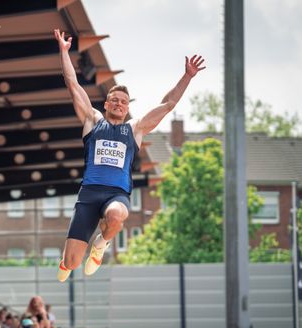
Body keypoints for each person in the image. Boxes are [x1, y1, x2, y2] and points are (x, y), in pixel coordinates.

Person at [53, 29, 205, 282]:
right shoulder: (92, 120)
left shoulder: (135, 129)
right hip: (89, 195)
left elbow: (167, 105)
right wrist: (64, 52)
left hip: (116, 194)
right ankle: (70, 258)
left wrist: (187, 77)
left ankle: (100, 245)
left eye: (124, 102)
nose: (119, 104)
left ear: (127, 108)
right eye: (114, 100)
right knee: (70, 264)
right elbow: (73, 85)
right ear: (106, 103)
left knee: (116, 216)